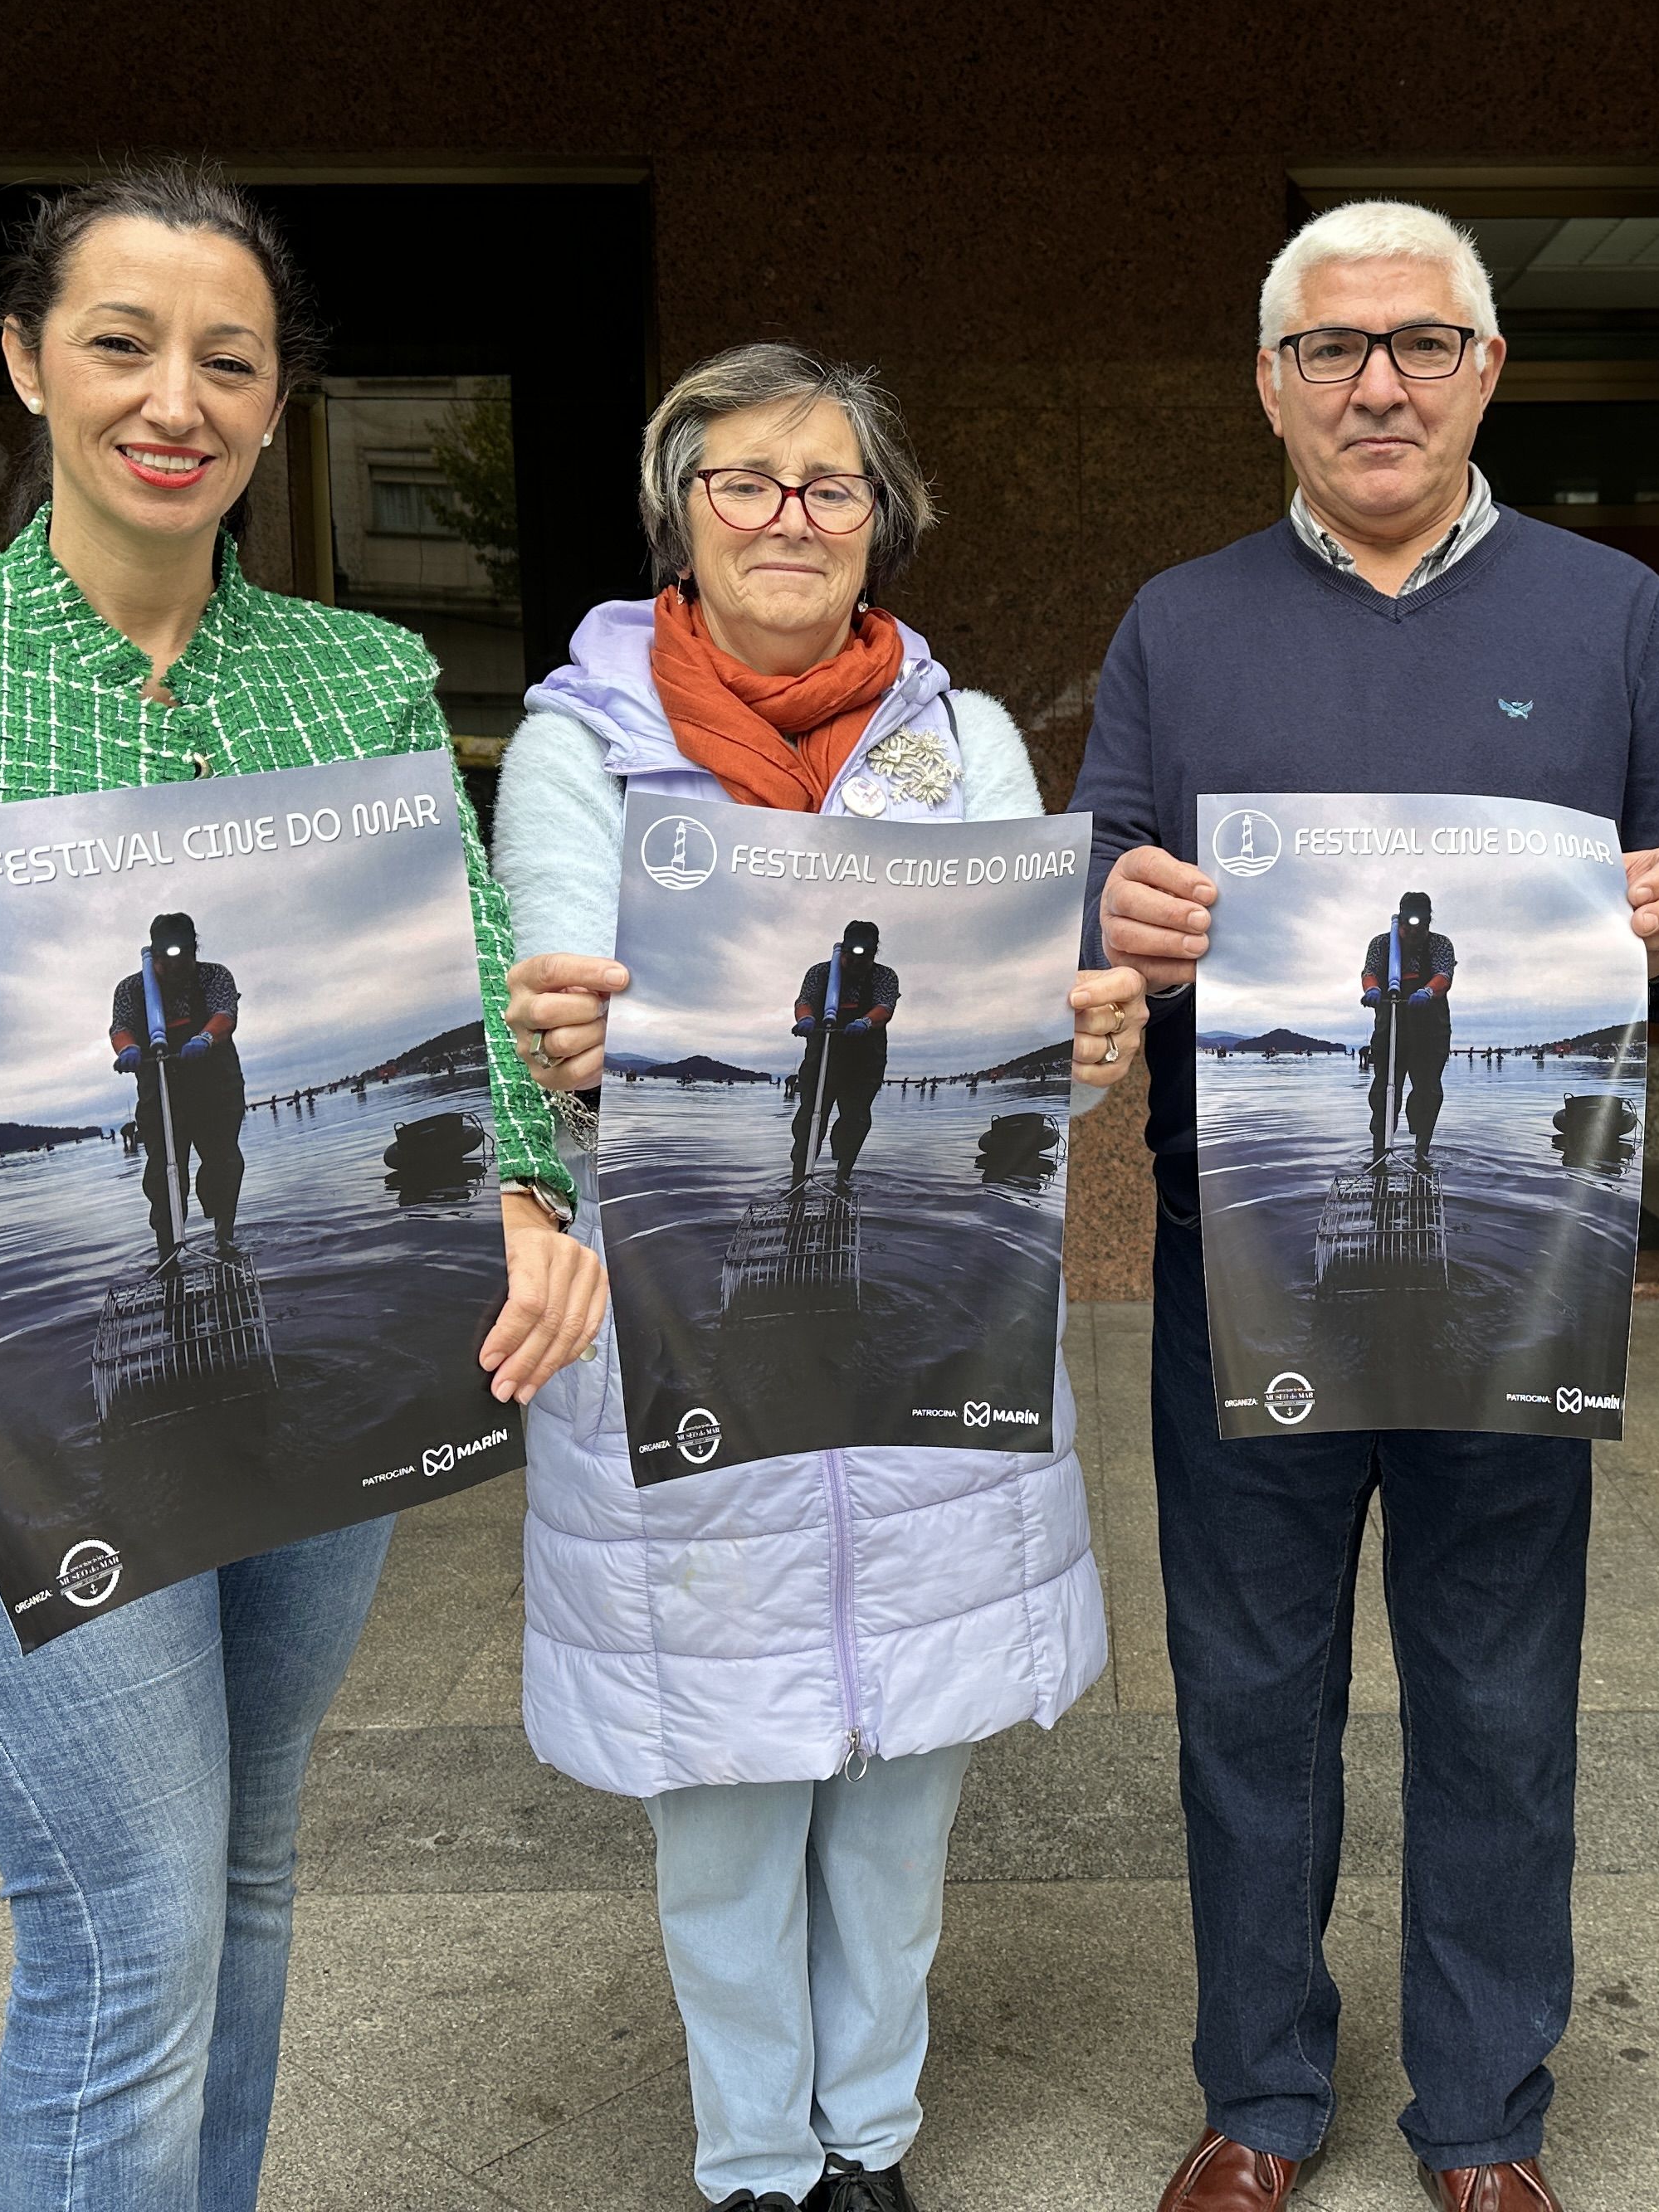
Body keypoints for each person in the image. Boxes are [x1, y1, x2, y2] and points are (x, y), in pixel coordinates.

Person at [0, 162, 609, 2212]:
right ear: (25, 365)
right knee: (127, 1923)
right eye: (119, 342)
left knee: (245, 1876)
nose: (174, 396)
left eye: (229, 360)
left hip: (326, 1333)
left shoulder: (354, 684)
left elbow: (464, 974)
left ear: (277, 407)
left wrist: (527, 1188)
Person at [1076, 201, 1659, 2212]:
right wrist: (1113, 913)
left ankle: (1483, 2115)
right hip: (1245, 1254)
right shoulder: (1177, 624)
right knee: (1249, 1693)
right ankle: (1264, 2098)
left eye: (1424, 343)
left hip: (1515, 1268)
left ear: (1487, 373)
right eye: (1334, 348)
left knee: (1500, 1694)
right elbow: (1088, 894)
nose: (1379, 381)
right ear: (1271, 384)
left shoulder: (1612, 612)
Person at [490, 342, 1144, 2212]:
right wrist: (564, 1032)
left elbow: (1016, 1035)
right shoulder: (576, 746)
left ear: (883, 526)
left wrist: (1075, 1048)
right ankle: (757, 2164)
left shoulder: (974, 741)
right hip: (697, 1317)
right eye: (746, 482)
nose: (790, 515)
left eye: (831, 486)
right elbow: (561, 1005)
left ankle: (873, 2142)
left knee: (902, 1797)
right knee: (722, 1805)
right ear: (677, 518)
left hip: (930, 1317)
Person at [111, 909, 246, 1251]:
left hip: (215, 1087)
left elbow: (224, 1015)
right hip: (160, 1090)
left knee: (223, 1163)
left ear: (194, 951)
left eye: (182, 957)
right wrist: (127, 1050)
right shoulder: (131, 989)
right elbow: (121, 1027)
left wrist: (204, 1039)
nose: (173, 968)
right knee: (164, 1176)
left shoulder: (214, 977)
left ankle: (224, 1237)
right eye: (165, 959)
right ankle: (168, 1251)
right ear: (153, 956)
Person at [790, 917, 899, 1181]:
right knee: (810, 1118)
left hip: (864, 1058)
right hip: (823, 1052)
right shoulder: (820, 973)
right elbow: (804, 1001)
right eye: (851, 957)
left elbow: (885, 1008)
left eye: (864, 958)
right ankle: (799, 1179)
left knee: (856, 1119)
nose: (856, 965)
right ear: (843, 950)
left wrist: (865, 1021)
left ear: (874, 954)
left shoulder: (885, 976)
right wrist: (805, 1019)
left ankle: (842, 1177)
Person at [1360, 889, 1453, 1161]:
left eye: (1420, 926)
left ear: (1428, 923)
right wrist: (1372, 990)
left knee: (1428, 1091)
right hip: (1391, 1026)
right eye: (1408, 926)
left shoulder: (1440, 944)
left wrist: (1427, 992)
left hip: (1430, 1029)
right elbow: (1369, 972)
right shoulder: (1381, 944)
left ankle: (1421, 1151)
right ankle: (1380, 1152)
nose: (1413, 933)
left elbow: (1443, 975)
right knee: (1384, 1092)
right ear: (1400, 922)